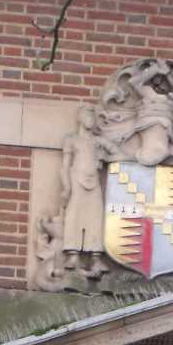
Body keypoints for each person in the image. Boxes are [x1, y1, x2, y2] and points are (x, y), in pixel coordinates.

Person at [60, 105, 107, 275]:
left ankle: (95, 256)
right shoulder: (71, 139)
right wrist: (66, 186)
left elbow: (116, 152)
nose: (90, 120)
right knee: (74, 214)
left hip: (94, 181)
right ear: (80, 117)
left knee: (95, 216)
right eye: (87, 116)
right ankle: (73, 254)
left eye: (92, 117)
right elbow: (65, 166)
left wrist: (103, 158)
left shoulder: (98, 141)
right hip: (77, 180)